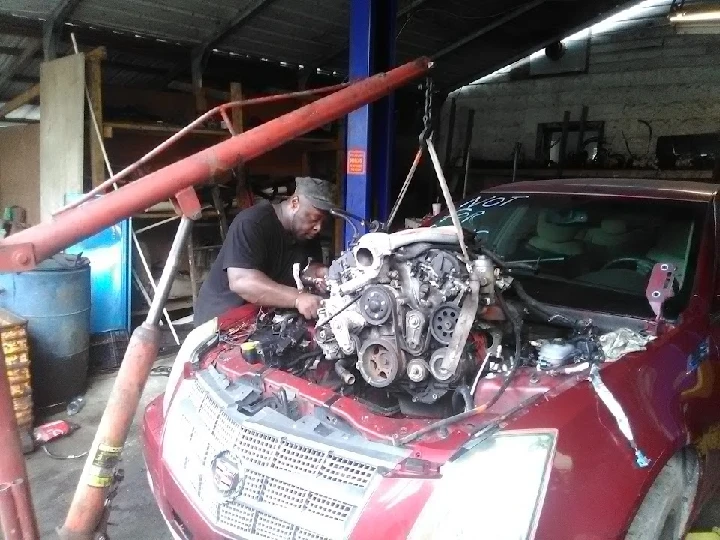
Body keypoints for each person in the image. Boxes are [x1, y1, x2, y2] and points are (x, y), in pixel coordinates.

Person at [193, 177, 336, 327]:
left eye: (323, 222)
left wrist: (317, 272)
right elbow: (242, 282)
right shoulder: (252, 222)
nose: (318, 227)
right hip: (222, 322)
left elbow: (302, 268)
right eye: (314, 219)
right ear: (295, 203)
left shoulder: (307, 233)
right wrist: (297, 298)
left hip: (263, 318)